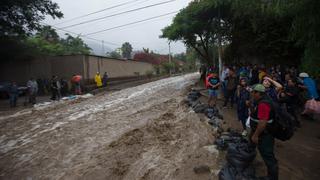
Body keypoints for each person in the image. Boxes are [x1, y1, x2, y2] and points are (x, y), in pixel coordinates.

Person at [250, 84, 278, 180]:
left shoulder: (263, 104)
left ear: (258, 93)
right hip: (259, 131)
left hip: (264, 134)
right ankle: (248, 161)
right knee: (251, 145)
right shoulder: (261, 100)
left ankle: (272, 177)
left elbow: (262, 122)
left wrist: (256, 135)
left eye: (253, 92)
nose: (252, 94)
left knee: (267, 155)